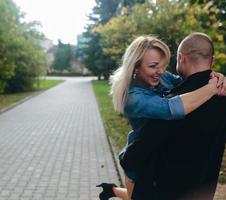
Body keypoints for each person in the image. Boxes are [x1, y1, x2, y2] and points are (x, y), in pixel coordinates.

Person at [96, 35, 225, 200]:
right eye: (154, 66)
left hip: (155, 154)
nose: (162, 72)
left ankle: (110, 190)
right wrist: (212, 89)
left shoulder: (160, 76)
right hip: (138, 160)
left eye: (163, 65)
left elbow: (186, 83)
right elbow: (171, 108)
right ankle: (111, 190)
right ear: (135, 67)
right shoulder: (132, 98)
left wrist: (216, 77)